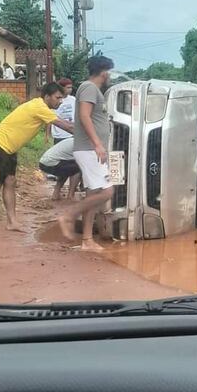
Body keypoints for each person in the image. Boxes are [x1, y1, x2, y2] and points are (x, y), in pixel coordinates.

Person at [0, 83, 73, 230]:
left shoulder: (40, 106)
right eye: (58, 98)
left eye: (62, 98)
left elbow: (67, 124)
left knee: (10, 181)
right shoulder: (40, 107)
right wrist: (89, 137)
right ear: (47, 96)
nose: (60, 101)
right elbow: (66, 126)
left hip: (10, 149)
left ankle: (12, 222)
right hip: (0, 145)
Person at [58, 55, 115, 251]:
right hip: (90, 150)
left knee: (94, 193)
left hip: (91, 149)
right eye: (110, 72)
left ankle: (87, 240)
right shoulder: (90, 87)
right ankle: (69, 215)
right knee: (107, 191)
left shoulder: (92, 89)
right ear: (104, 72)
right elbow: (84, 116)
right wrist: (98, 144)